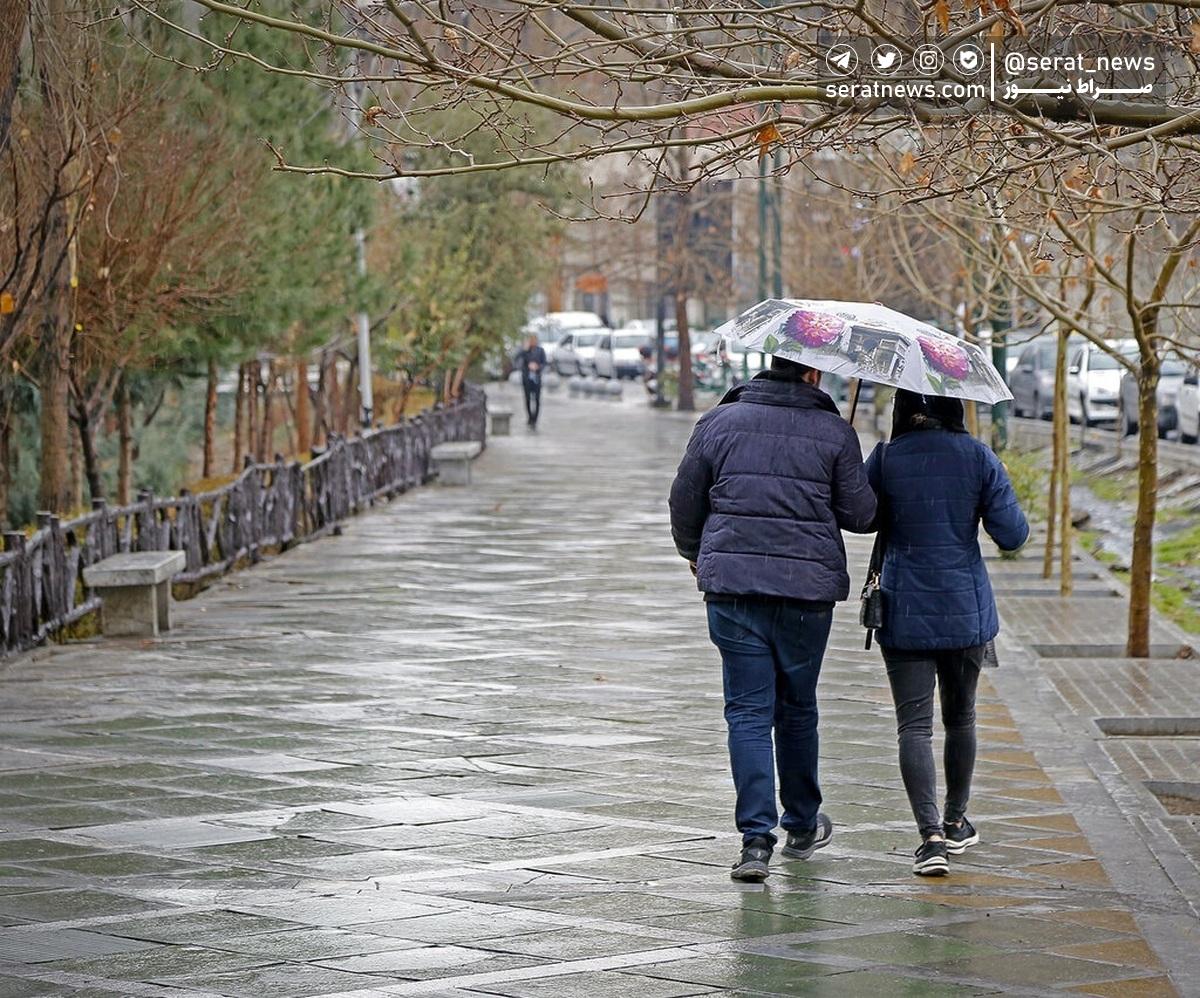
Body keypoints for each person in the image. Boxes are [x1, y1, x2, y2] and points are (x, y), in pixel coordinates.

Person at [669, 356, 877, 882]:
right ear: (814, 375)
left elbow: (683, 499)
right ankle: (802, 823)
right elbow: (861, 516)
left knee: (746, 712)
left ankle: (755, 839)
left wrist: (697, 553)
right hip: (806, 597)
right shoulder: (834, 432)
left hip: (733, 589)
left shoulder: (718, 422)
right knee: (798, 707)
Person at [864, 390, 1029, 877]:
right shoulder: (978, 456)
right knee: (961, 718)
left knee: (913, 726)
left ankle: (930, 837)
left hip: (904, 609)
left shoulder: (887, 457)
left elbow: (859, 518)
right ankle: (957, 821)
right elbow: (1013, 535)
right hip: (964, 609)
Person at [514, 334, 547, 428]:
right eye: (531, 340)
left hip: (536, 377)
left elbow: (544, 363)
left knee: (537, 399)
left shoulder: (540, 350)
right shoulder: (525, 351)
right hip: (527, 377)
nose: (532, 342)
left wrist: (538, 367)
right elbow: (516, 358)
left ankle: (535, 419)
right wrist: (524, 349)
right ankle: (529, 417)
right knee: (527, 398)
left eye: (534, 340)